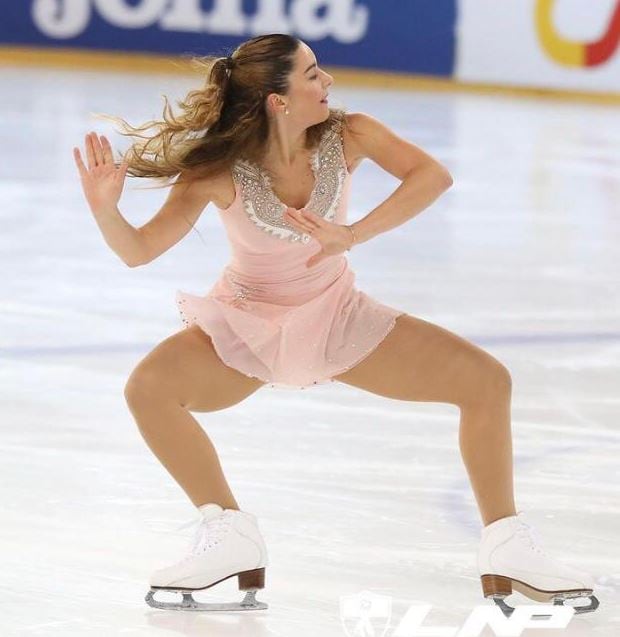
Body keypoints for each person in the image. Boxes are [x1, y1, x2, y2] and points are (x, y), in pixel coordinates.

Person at [73, 33, 598, 615]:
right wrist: (106, 210)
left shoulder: (350, 134)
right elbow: (138, 251)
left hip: (339, 319)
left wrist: (352, 234)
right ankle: (228, 534)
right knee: (149, 388)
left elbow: (431, 176)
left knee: (486, 382)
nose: (328, 83)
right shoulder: (216, 174)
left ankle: (508, 550)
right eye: (313, 75)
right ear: (278, 100)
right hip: (251, 327)